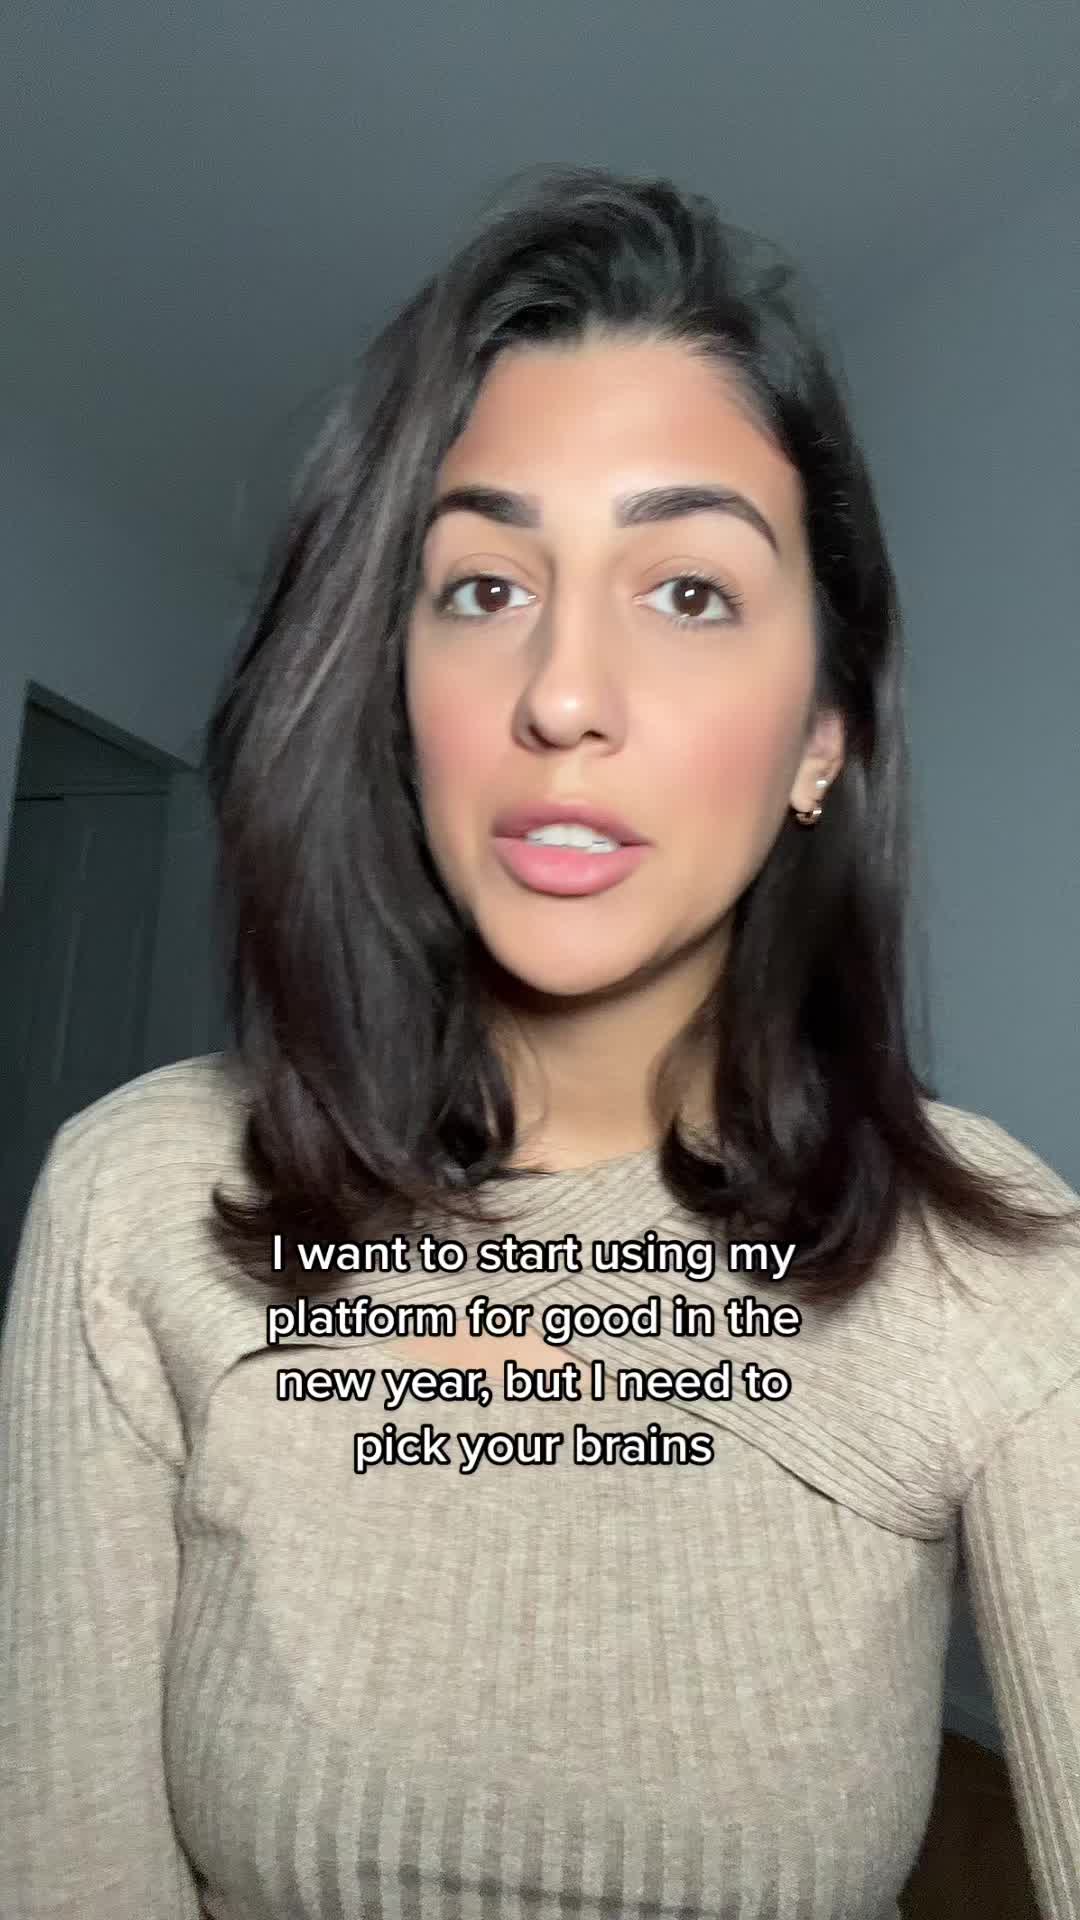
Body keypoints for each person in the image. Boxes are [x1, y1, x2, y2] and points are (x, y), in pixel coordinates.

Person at [1, 163, 1078, 1920]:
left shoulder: (996, 1270)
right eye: (485, 589)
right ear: (394, 698)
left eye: (690, 592)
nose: (563, 695)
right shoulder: (138, 1205)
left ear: (823, 737)